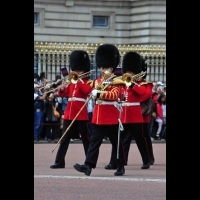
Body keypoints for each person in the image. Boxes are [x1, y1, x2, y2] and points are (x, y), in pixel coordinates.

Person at [73, 44, 126, 176]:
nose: (102, 69)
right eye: (101, 67)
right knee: (94, 143)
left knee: (117, 144)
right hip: (99, 116)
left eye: (105, 67)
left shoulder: (117, 81)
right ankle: (88, 165)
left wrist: (99, 94)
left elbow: (114, 95)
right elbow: (90, 90)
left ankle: (120, 166)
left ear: (111, 68)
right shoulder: (97, 81)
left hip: (111, 117)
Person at [104, 52, 152, 170]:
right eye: (127, 71)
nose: (128, 73)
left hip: (135, 114)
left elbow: (143, 94)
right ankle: (115, 162)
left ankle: (146, 160)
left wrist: (133, 85)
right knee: (118, 140)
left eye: (131, 72)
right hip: (123, 113)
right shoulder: (121, 82)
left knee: (140, 139)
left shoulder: (141, 83)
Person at [50, 50, 93, 169]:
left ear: (83, 70)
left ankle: (89, 160)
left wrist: (78, 80)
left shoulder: (87, 81)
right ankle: (59, 161)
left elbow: (87, 91)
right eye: (76, 69)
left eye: (78, 70)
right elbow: (63, 94)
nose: (76, 72)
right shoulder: (71, 82)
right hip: (70, 112)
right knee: (64, 138)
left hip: (80, 113)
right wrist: (62, 89)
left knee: (85, 138)